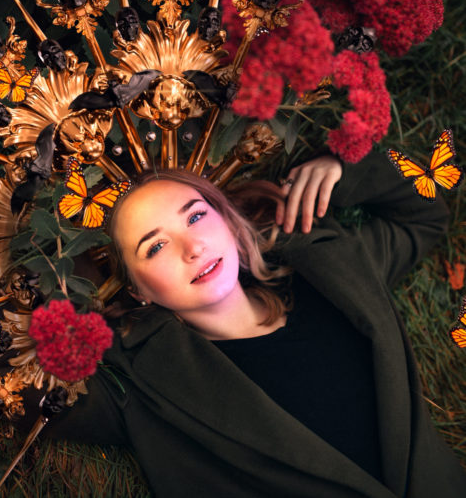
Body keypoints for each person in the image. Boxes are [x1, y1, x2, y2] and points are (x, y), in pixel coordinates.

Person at [44, 151, 466, 498]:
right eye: (155, 246)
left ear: (226, 219)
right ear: (137, 290)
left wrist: (342, 168)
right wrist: (54, 278)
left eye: (194, 217)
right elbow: (24, 403)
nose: (193, 247)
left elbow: (425, 213)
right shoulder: (139, 386)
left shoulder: (333, 273)